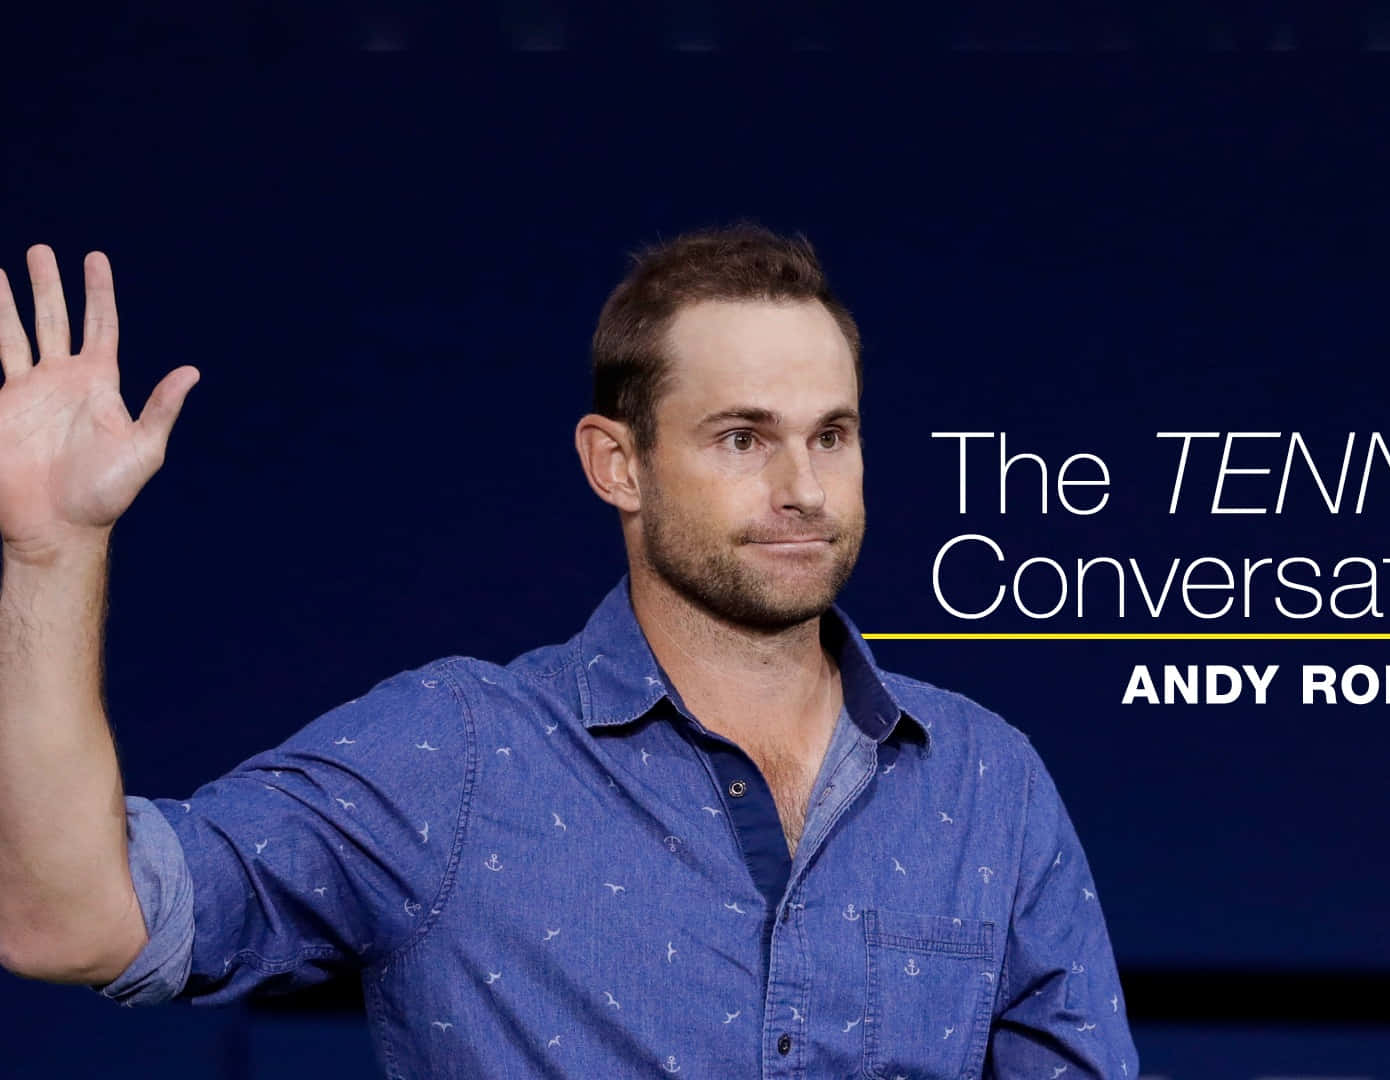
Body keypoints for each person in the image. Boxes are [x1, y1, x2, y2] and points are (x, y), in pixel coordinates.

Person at [0, 226, 1139, 1078]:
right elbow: (69, 919)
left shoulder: (987, 782)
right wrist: (53, 553)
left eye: (830, 437)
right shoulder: (455, 755)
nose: (802, 489)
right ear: (617, 465)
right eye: (743, 437)